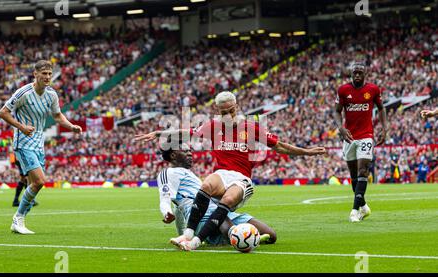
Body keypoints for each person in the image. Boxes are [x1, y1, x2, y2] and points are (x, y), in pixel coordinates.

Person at [135, 91, 326, 251]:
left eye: (231, 110)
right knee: (207, 184)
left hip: (242, 179)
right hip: (222, 174)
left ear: (237, 106)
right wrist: (159, 133)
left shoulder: (251, 128)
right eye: (224, 112)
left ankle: (197, 240)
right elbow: (187, 132)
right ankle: (189, 235)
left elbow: (281, 146)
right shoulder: (213, 126)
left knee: (228, 201)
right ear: (218, 111)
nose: (228, 115)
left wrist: (307, 152)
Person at [0, 60, 82, 234]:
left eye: (50, 73)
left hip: (38, 144)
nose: (48, 77)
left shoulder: (51, 94)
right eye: (44, 73)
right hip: (23, 142)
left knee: (34, 185)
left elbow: (57, 116)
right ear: (35, 74)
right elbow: (3, 112)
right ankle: (18, 219)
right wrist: (21, 127)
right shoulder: (24, 93)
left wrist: (71, 126)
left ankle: (20, 220)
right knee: (39, 181)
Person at [157, 141, 277, 246]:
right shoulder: (168, 173)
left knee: (271, 235)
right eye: (185, 151)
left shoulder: (190, 175)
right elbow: (165, 199)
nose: (190, 153)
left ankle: (244, 238)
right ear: (173, 155)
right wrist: (166, 212)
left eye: (190, 150)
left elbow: (178, 209)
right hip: (202, 216)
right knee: (231, 231)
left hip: (221, 211)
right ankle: (242, 240)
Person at [333, 62, 387, 222]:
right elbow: (337, 111)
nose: (357, 75)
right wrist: (340, 128)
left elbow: (382, 108)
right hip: (349, 136)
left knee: (363, 170)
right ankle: (363, 207)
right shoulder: (343, 90)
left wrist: (385, 128)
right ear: (351, 74)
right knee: (354, 176)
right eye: (355, 73)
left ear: (365, 74)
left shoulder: (373, 89)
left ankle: (355, 211)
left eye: (360, 73)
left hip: (366, 135)